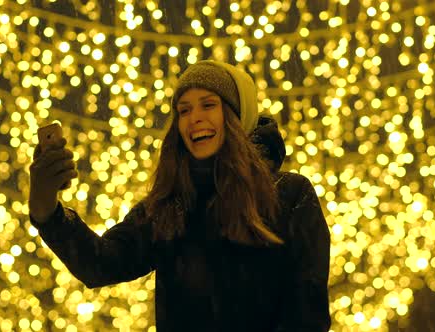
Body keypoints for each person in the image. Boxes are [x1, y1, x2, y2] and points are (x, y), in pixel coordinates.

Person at [28, 60, 331, 331]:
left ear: (237, 115)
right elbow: (100, 263)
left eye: (208, 105)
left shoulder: (289, 195)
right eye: (184, 110)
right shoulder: (169, 206)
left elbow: (307, 315)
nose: (194, 117)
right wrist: (47, 208)